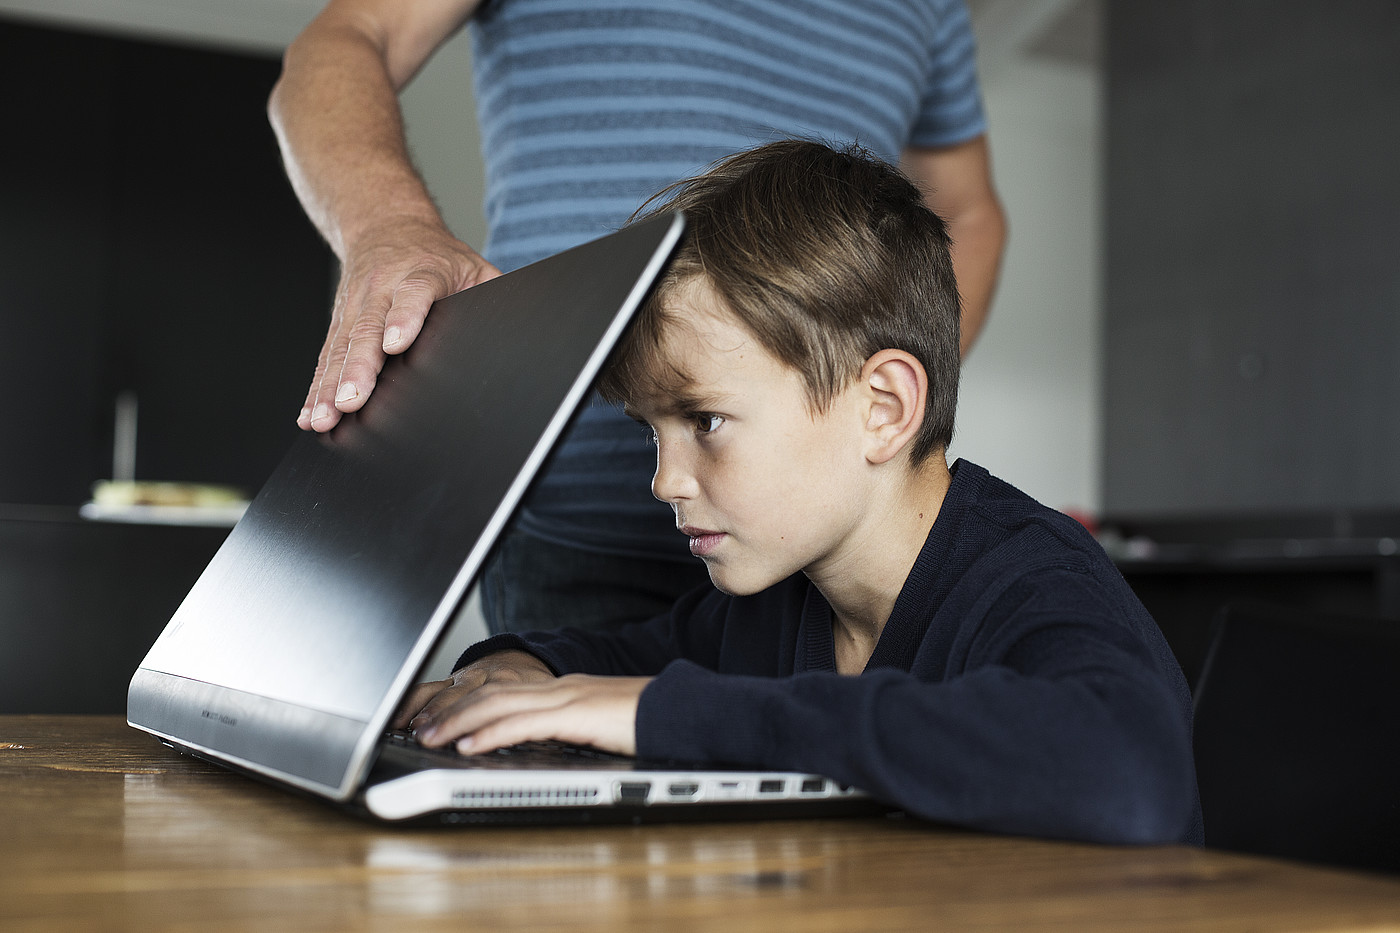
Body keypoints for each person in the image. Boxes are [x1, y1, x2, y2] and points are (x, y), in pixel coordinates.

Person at [392, 141, 1203, 846]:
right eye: (652, 430)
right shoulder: (779, 601)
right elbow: (623, 660)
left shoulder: (1031, 579)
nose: (664, 480)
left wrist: (663, 713)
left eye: (705, 420)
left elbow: (1127, 771)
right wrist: (516, 669)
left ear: (882, 409)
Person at [268, 0, 1007, 635]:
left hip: (820, 560)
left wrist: (870, 413)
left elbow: (969, 211)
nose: (668, 480)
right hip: (571, 536)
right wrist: (391, 227)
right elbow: (343, 38)